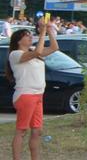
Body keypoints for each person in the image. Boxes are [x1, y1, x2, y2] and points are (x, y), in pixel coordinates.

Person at [8, 20, 57, 160]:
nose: (30, 37)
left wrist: (49, 30)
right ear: (18, 41)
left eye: (30, 34)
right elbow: (38, 52)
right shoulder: (15, 54)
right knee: (21, 130)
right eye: (26, 35)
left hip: (38, 95)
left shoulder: (34, 52)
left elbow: (54, 48)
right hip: (25, 95)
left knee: (37, 131)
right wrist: (42, 32)